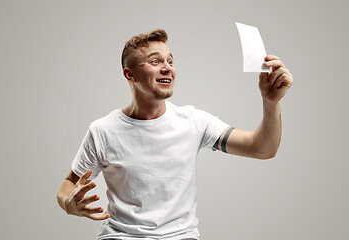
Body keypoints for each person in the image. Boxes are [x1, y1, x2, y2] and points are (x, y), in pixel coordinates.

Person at [56, 29, 293, 240]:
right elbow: (68, 184)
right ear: (130, 75)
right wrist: (69, 203)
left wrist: (270, 102)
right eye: (155, 61)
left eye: (170, 61)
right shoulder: (103, 130)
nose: (167, 67)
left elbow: (262, 148)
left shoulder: (194, 121)